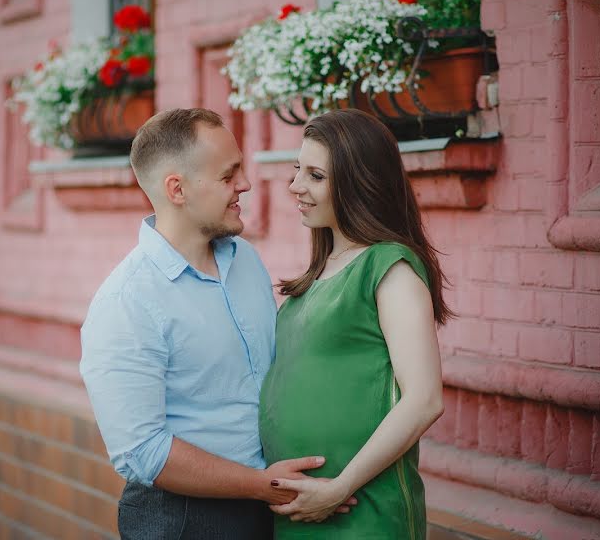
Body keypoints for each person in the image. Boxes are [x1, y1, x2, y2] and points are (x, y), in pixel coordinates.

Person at [80, 108, 353, 540]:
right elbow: (144, 452)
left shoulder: (244, 259)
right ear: (177, 189)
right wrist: (265, 486)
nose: (245, 184)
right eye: (229, 176)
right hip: (186, 520)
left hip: (271, 507)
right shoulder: (126, 301)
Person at [259, 108, 450, 539]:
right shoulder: (317, 275)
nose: (296, 187)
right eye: (297, 171)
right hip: (297, 510)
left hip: (359, 511)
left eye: (315, 176)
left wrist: (338, 489)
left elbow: (424, 400)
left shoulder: (390, 267)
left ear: (358, 181)